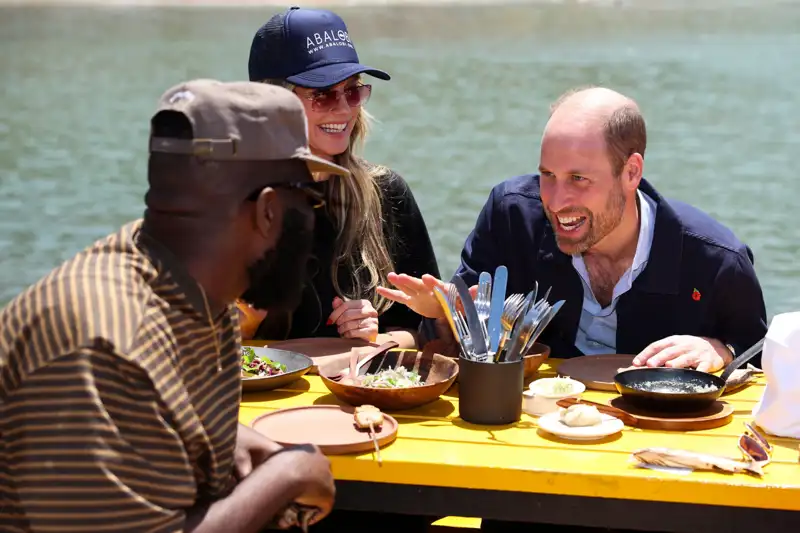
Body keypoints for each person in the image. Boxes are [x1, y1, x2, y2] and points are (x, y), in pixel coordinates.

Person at [0, 79, 348, 532]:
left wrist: (238, 444)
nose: (312, 218)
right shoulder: (101, 346)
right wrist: (289, 475)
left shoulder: (204, 296)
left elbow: (156, 420)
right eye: (308, 200)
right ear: (267, 212)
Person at [378, 86, 768, 375]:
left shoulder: (717, 261)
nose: (557, 200)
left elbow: (764, 359)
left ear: (631, 172)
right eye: (547, 175)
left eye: (579, 178)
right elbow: (459, 338)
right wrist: (445, 314)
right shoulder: (510, 215)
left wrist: (723, 349)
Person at [242, 6, 440, 347]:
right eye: (322, 94)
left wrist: (377, 337)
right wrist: (246, 325)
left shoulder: (386, 193)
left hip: (357, 397)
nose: (345, 108)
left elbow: (428, 331)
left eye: (352, 90)